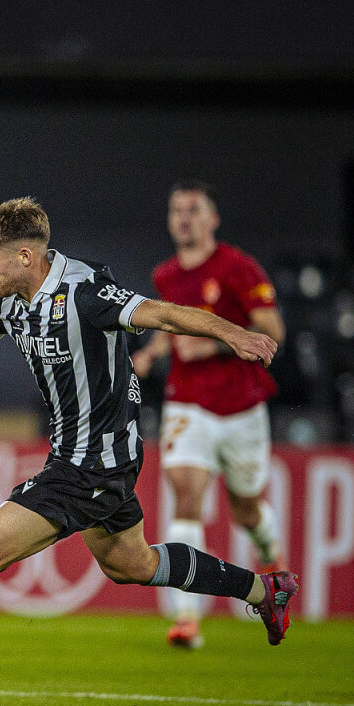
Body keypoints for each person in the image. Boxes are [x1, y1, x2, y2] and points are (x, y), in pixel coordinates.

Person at [0, 197, 299, 706]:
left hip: (91, 465)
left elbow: (162, 313)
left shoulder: (85, 292)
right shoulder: (9, 302)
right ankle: (266, 589)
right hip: (86, 459)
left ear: (25, 256)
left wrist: (233, 332)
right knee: (132, 564)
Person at [131, 182, 286, 650]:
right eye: (176, 210)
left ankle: (271, 556)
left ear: (212, 219)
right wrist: (152, 352)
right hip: (188, 402)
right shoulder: (166, 275)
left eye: (193, 209)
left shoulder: (238, 267)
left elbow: (273, 328)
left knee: (246, 509)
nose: (184, 218)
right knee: (186, 496)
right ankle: (186, 618)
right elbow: (172, 328)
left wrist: (218, 342)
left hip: (241, 406)